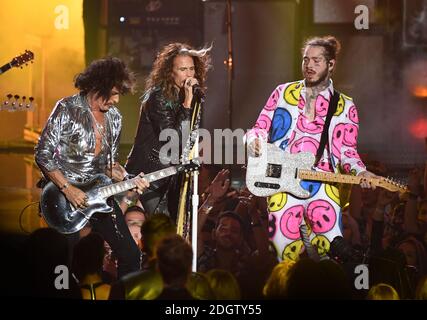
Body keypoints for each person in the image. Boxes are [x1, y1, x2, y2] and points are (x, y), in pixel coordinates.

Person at [245, 36, 377, 263]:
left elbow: (347, 152)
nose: (309, 65)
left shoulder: (345, 105)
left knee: (329, 252)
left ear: (331, 65)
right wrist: (254, 141)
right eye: (306, 60)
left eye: (317, 60)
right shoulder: (283, 93)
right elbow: (259, 128)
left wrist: (361, 172)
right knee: (283, 255)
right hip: (283, 184)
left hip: (324, 184)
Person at [35, 57, 149, 278]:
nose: (116, 100)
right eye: (114, 93)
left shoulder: (115, 118)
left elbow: (109, 165)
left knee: (131, 256)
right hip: (63, 198)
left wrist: (129, 178)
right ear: (98, 86)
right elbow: (43, 154)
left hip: (98, 196)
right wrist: (68, 189)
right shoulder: (67, 108)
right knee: (64, 265)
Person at [125, 43, 211, 221]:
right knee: (159, 230)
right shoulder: (158, 97)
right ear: (170, 72)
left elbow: (190, 137)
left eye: (191, 69)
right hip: (151, 177)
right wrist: (187, 102)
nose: (188, 75)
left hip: (173, 174)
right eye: (182, 69)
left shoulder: (193, 97)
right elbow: (173, 140)